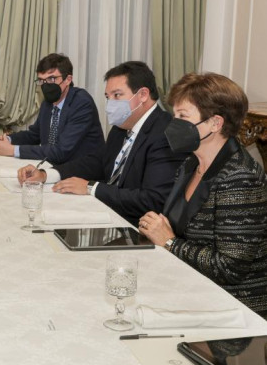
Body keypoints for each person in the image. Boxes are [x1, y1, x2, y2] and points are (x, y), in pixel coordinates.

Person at [138, 73, 267, 318]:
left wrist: (168, 242)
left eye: (182, 117)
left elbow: (230, 268)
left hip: (232, 309)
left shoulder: (239, 177)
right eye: (174, 115)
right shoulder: (191, 163)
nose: (173, 124)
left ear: (215, 123)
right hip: (189, 288)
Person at [17, 61, 187, 226]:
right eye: (108, 97)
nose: (110, 104)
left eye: (117, 95)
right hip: (105, 212)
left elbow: (152, 199)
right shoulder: (122, 127)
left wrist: (91, 187)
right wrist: (46, 174)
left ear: (142, 95)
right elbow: (98, 162)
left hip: (134, 226)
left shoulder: (165, 134)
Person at [0, 53, 104, 164]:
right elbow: (34, 135)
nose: (46, 85)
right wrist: (8, 140)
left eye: (51, 79)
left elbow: (61, 151)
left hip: (79, 170)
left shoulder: (81, 102)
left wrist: (12, 150)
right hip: (51, 165)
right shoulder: (48, 103)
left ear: (68, 80)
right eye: (42, 80)